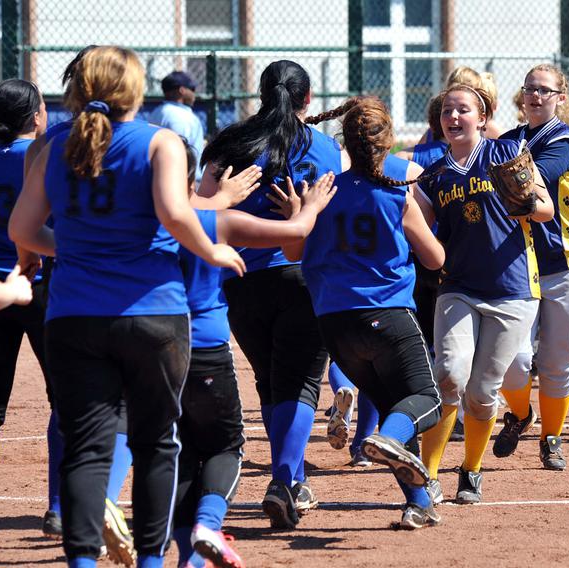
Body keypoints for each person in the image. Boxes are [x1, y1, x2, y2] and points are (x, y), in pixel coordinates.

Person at [8, 46, 245, 568]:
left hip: (74, 317)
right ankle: (153, 562)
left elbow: (22, 231)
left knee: (87, 448)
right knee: (157, 443)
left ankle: (83, 562)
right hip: (152, 314)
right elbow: (175, 214)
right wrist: (212, 250)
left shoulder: (53, 148)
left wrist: (69, 247)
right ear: (136, 92)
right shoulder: (160, 142)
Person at [197, 59, 349, 530]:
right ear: (307, 99)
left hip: (243, 279)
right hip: (305, 279)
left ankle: (295, 479)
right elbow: (342, 215)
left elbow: (199, 206)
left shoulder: (231, 144)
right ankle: (284, 480)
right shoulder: (328, 150)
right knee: (300, 384)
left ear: (262, 94)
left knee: (269, 381)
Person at [283, 95, 446, 528]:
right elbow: (434, 258)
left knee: (393, 402)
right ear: (385, 143)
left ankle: (418, 502)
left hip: (335, 324)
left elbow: (291, 248)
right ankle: (388, 440)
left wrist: (301, 210)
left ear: (346, 143)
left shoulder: (323, 187)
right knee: (427, 401)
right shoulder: (396, 192)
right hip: (388, 313)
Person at [172, 141, 335, 568]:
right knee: (228, 445)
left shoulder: (136, 222)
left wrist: (218, 195)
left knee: (173, 451)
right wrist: (310, 204)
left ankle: (159, 550)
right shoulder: (218, 223)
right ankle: (267, 490)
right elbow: (297, 233)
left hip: (146, 345)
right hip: (207, 345)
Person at [418, 84, 553, 505]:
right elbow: (419, 229)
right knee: (449, 376)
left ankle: (471, 470)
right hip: (457, 287)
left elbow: (547, 209)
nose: (453, 118)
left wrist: (525, 200)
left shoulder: (506, 157)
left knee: (481, 392)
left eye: (463, 111)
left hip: (512, 289)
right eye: (446, 112)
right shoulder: (434, 175)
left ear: (482, 116)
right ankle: (428, 475)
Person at [495, 64, 569, 471]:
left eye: (544, 90)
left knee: (557, 360)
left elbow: (536, 176)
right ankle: (520, 414)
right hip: (520, 263)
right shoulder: (506, 140)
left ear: (560, 98)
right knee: (512, 359)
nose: (535, 95)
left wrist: (495, 166)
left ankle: (551, 438)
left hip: (567, 263)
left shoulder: (566, 139)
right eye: (529, 88)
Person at [0, 79, 55, 552]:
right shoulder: (46, 159)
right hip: (43, 281)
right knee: (67, 398)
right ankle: (61, 512)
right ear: (37, 117)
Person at [149, 71, 205, 182]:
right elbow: (181, 156)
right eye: (192, 89)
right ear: (182, 90)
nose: (194, 94)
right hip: (181, 182)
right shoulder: (181, 117)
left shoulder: (157, 112)